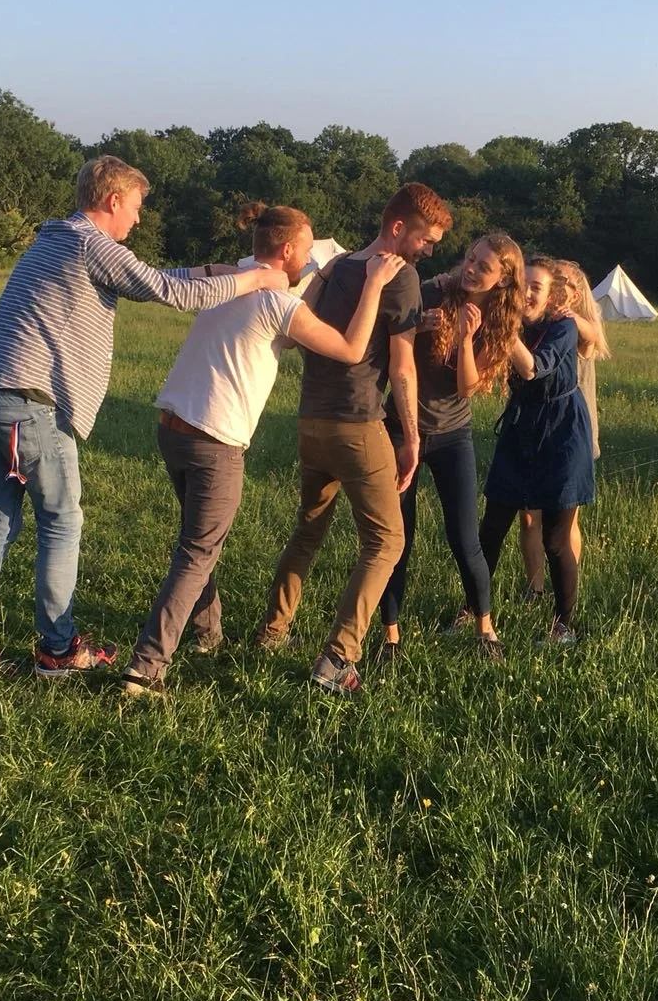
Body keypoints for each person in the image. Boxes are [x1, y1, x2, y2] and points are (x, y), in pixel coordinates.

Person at [0, 156, 288, 683]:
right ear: (112, 201)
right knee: (62, 520)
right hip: (27, 403)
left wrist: (226, 273)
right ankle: (58, 651)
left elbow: (154, 278)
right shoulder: (92, 244)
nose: (139, 218)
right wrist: (255, 281)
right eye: (136, 206)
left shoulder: (60, 237)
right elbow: (173, 294)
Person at [121, 204, 404, 696]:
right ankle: (146, 668)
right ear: (288, 249)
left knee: (197, 540)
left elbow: (275, 329)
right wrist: (375, 286)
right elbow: (351, 349)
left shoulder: (229, 279)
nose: (311, 260)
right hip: (215, 439)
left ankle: (208, 635)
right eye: (308, 248)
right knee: (197, 551)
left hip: (171, 426)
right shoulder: (277, 303)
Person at [256, 183, 454, 695]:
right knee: (387, 541)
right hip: (359, 425)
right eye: (426, 239)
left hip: (310, 423)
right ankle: (338, 658)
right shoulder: (403, 276)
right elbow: (404, 369)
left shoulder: (336, 267)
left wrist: (414, 321)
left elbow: (312, 328)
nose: (429, 249)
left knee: (309, 529)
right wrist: (411, 437)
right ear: (397, 228)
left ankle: (272, 633)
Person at [376, 232, 524, 664]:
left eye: (483, 266)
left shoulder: (499, 321)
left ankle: (485, 630)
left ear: (501, 280)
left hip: (452, 434)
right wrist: (416, 326)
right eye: (470, 258)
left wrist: (463, 339)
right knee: (397, 536)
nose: (470, 267)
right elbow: (389, 343)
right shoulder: (430, 291)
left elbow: (467, 387)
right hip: (401, 428)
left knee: (464, 538)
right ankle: (390, 637)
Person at [478, 255, 594, 644]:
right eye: (521, 284)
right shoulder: (513, 324)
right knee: (491, 528)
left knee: (556, 539)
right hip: (519, 429)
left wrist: (505, 329)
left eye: (536, 287)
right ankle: (473, 610)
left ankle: (564, 625)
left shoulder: (562, 327)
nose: (526, 293)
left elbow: (531, 368)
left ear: (551, 296)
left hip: (562, 433)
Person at [518, 258, 611, 599]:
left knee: (565, 522)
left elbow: (593, 337)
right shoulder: (540, 323)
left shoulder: (576, 327)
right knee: (529, 517)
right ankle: (534, 588)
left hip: (573, 433)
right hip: (534, 428)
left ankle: (564, 585)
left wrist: (572, 317)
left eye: (566, 287)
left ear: (575, 293)